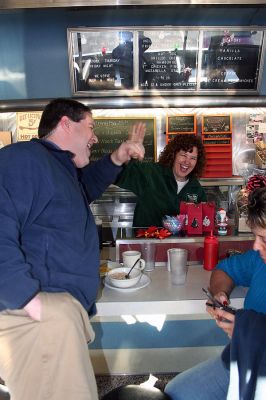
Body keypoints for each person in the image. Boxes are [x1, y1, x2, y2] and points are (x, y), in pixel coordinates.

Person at [0, 98, 146, 400]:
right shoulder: (24, 159)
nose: (94, 137)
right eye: (90, 127)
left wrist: (117, 158)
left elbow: (83, 187)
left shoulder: (57, 168)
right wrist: (30, 301)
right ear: (65, 123)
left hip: (53, 314)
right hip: (36, 317)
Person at [164, 186, 266, 400]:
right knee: (175, 393)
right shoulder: (259, 260)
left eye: (264, 239)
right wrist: (220, 293)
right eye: (256, 237)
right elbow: (225, 269)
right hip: (242, 357)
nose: (256, 246)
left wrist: (248, 331)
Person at [116, 133, 206, 228]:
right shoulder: (151, 173)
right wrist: (126, 155)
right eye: (183, 155)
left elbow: (202, 224)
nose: (187, 161)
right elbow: (119, 174)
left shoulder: (196, 189)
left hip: (182, 242)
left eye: (193, 158)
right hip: (147, 241)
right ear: (173, 155)